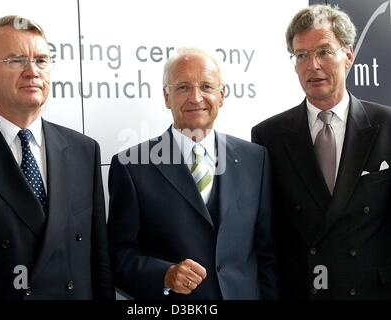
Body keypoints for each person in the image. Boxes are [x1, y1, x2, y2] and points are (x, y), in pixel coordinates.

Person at [0, 15, 115, 300]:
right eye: (16, 60)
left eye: (41, 60)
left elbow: (99, 264)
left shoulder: (84, 150)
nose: (32, 72)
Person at [107, 47, 278, 300]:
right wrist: (164, 275)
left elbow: (268, 254)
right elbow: (116, 256)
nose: (196, 97)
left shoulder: (256, 159)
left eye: (207, 87)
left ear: (222, 95)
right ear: (167, 96)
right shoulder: (131, 166)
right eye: (183, 87)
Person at [252, 4, 391, 299]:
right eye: (301, 55)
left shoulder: (387, 125)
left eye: (324, 51)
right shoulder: (268, 136)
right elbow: (267, 235)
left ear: (349, 56)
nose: (312, 65)